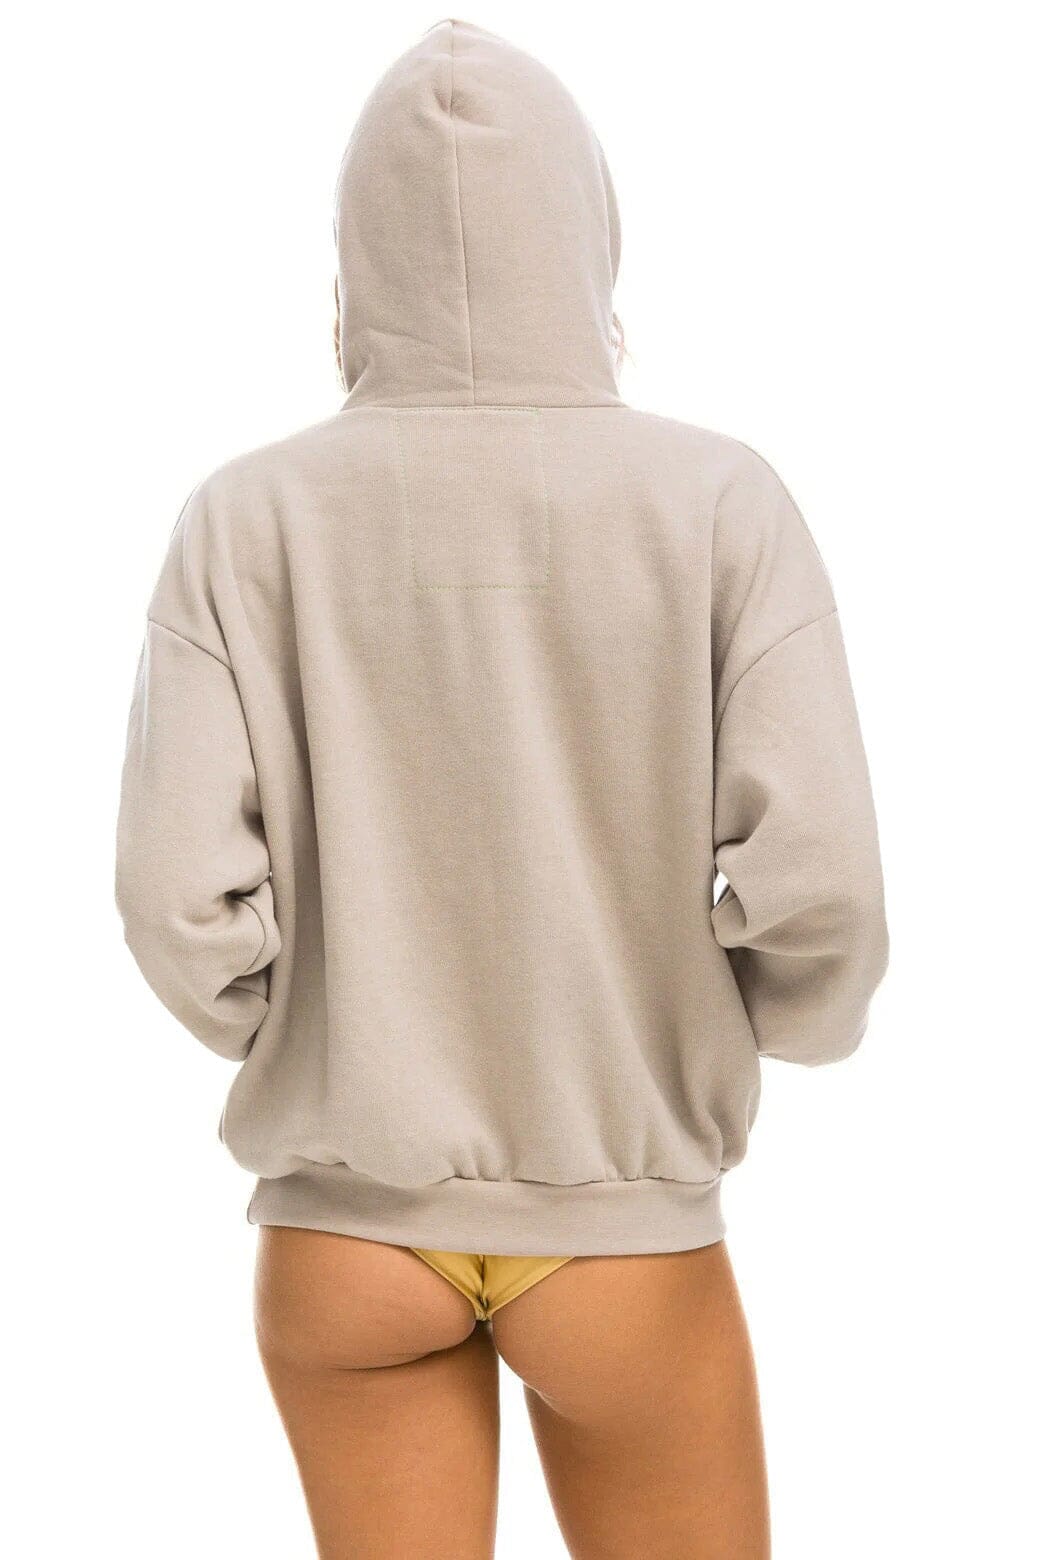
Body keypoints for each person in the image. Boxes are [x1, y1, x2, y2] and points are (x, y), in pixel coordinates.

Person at [115, 20, 888, 1559]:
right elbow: (825, 884)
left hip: (341, 1235)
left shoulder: (243, 520)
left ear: (357, 255)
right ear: (589, 233)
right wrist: (761, 1025)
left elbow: (168, 894)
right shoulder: (718, 503)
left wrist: (313, 1033)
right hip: (623, 1229)